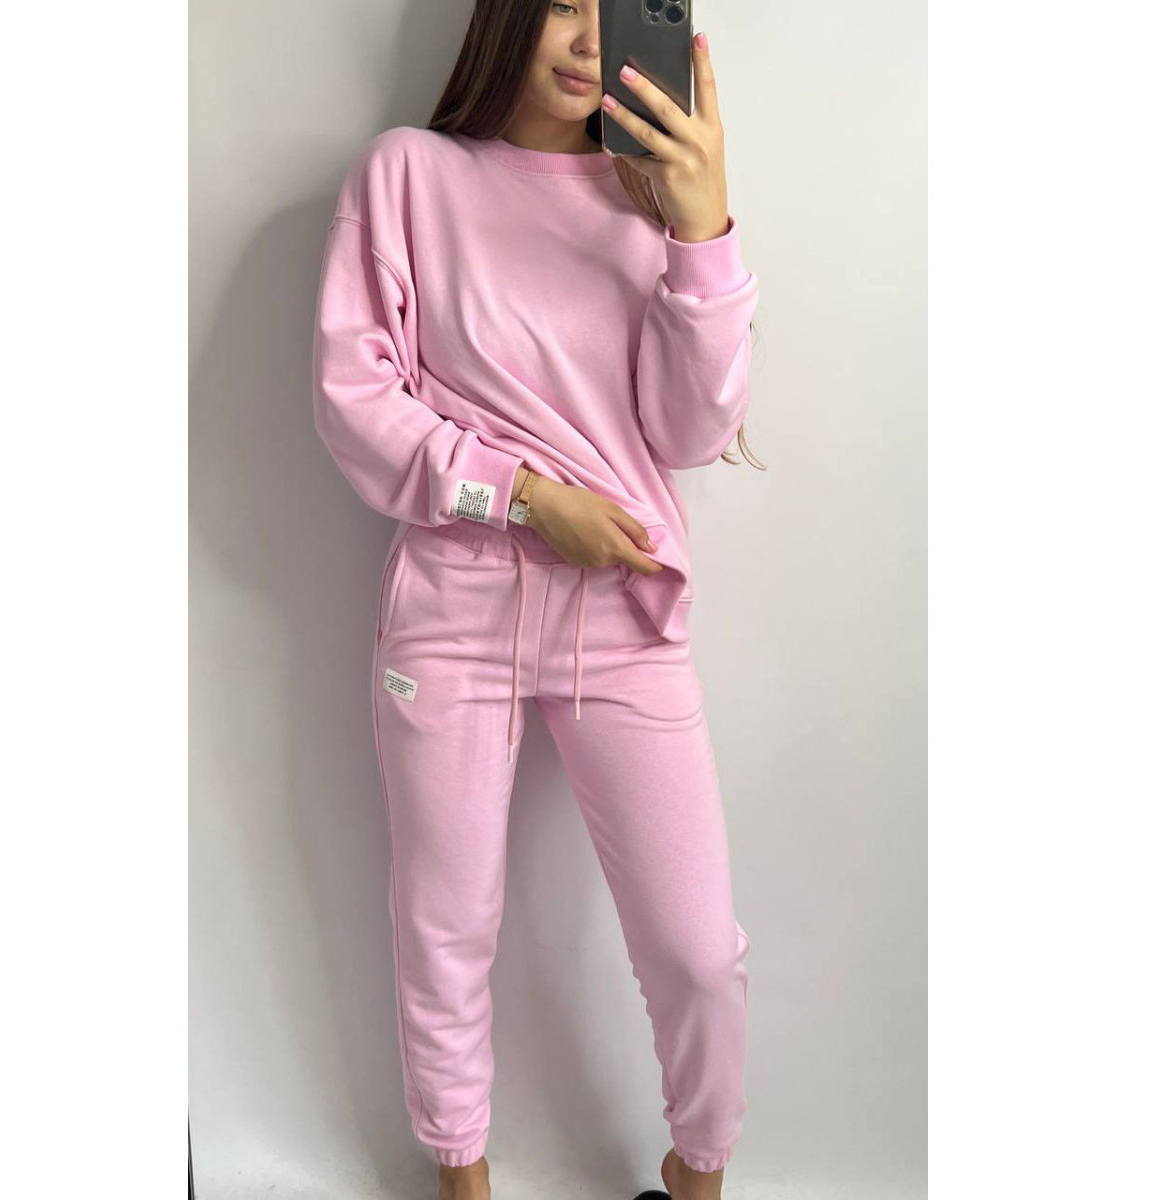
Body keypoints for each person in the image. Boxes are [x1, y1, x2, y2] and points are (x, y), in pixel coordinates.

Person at [311, 3, 762, 1197]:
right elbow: (355, 402)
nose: (588, 36)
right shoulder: (409, 177)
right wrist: (521, 497)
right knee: (444, 926)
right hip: (450, 615)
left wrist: (703, 228)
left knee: (697, 953)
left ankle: (697, 1174)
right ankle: (462, 1180)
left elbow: (690, 431)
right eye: (562, 1)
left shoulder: (648, 207)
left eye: (614, 7)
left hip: (625, 614)